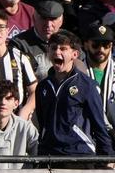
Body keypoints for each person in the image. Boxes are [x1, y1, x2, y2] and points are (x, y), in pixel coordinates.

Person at [34, 30, 114, 160]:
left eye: (63, 49)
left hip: (79, 154)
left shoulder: (87, 85)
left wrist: (107, 156)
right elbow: (42, 123)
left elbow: (99, 125)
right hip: (49, 154)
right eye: (53, 48)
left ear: (74, 54)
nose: (57, 52)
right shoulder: (43, 86)